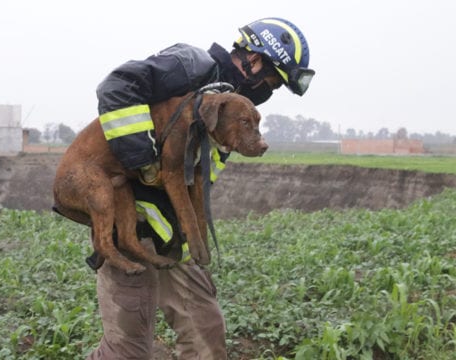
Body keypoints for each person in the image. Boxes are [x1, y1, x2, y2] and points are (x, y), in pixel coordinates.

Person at [87, 17, 315, 359]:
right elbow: (117, 86)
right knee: (127, 349)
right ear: (254, 61)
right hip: (129, 229)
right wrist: (143, 159)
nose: (269, 90)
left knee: (206, 334)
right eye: (272, 80)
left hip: (174, 234)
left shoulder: (231, 109)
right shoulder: (192, 66)